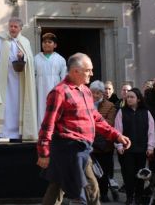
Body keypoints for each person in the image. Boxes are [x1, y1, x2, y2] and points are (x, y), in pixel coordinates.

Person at [37, 53, 131, 205]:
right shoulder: (59, 92)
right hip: (68, 148)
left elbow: (96, 118)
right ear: (75, 71)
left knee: (58, 187)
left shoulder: (86, 91)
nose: (91, 74)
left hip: (83, 148)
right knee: (88, 190)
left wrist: (116, 135)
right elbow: (48, 125)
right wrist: (43, 153)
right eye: (88, 70)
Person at [0, 17, 36, 142]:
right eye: (11, 26)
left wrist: (22, 56)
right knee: (1, 105)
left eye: (15, 27)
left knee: (16, 108)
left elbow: (29, 59)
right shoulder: (1, 39)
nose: (12, 29)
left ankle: (15, 135)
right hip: (3, 79)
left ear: (20, 28)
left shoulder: (25, 41)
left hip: (18, 81)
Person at [114, 88, 155, 205]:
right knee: (128, 174)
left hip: (142, 149)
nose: (129, 99)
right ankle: (129, 197)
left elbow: (151, 131)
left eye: (132, 97)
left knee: (140, 174)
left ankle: (139, 196)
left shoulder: (146, 112)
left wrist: (150, 147)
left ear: (138, 99)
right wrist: (119, 145)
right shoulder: (122, 112)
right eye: (127, 97)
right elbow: (118, 131)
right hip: (126, 150)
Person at [89, 80, 117, 203]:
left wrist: (92, 125)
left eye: (98, 93)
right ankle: (93, 195)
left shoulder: (110, 106)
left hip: (104, 145)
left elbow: (109, 124)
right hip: (89, 144)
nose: (95, 95)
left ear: (102, 93)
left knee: (104, 172)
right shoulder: (85, 103)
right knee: (90, 173)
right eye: (93, 93)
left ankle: (104, 193)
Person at [33, 32, 66, 127]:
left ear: (55, 45)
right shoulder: (36, 59)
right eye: (44, 42)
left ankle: (53, 132)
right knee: (40, 109)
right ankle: (40, 132)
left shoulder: (60, 59)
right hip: (39, 89)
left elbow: (64, 78)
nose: (46, 44)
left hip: (54, 88)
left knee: (53, 110)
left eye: (49, 42)